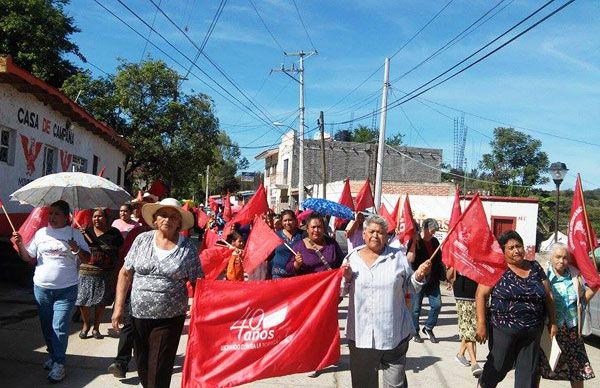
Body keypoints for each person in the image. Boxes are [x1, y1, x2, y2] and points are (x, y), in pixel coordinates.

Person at [111, 198, 202, 388]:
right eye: (163, 215)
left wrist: (200, 312)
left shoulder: (188, 249)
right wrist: (118, 307)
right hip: (138, 315)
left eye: (173, 216)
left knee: (159, 367)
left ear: (179, 222)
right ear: (155, 219)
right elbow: (125, 273)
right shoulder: (142, 240)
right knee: (143, 365)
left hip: (169, 318)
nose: (167, 219)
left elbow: (198, 283)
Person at [342, 215, 432, 387]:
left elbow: (410, 287)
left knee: (395, 384)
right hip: (361, 335)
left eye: (381, 232)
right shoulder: (351, 258)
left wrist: (419, 275)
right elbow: (341, 291)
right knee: (363, 384)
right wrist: (346, 278)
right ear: (363, 234)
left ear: (387, 236)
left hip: (393, 335)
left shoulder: (398, 257)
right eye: (372, 231)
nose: (376, 235)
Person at [12, 200, 90, 383]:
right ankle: (54, 356)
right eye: (50, 213)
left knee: (59, 327)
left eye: (57, 214)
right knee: (47, 327)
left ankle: (59, 365)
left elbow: (87, 258)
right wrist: (21, 245)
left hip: (67, 289)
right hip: (42, 289)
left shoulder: (74, 234)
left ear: (66, 216)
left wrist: (77, 249)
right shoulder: (41, 233)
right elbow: (27, 257)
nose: (52, 217)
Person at [476, 230, 558, 388]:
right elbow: (481, 295)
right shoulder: (496, 268)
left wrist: (553, 322)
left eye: (519, 246)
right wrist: (481, 324)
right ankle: (485, 383)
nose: (516, 250)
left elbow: (548, 295)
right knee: (499, 366)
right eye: (511, 248)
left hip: (533, 329)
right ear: (503, 251)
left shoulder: (535, 267)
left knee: (528, 374)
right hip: (503, 328)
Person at [107, 196, 155, 379]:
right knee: (129, 324)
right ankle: (121, 362)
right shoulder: (137, 234)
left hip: (158, 296)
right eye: (137, 208)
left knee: (146, 330)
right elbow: (124, 263)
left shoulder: (172, 238)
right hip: (134, 288)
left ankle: (146, 361)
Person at [538, 243, 597, 387]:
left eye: (565, 258)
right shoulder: (543, 274)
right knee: (538, 366)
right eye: (558, 257)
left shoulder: (575, 275)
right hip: (549, 329)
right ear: (551, 257)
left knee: (577, 369)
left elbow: (583, 297)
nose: (561, 261)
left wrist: (595, 284)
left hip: (571, 330)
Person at [76, 208, 124, 339]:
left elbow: (120, 252)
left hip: (105, 273)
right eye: (94, 216)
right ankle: (86, 325)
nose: (96, 219)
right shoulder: (86, 231)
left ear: (107, 219)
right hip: (86, 271)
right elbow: (78, 248)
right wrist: (81, 235)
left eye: (100, 216)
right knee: (82, 300)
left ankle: (96, 328)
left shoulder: (114, 233)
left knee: (100, 302)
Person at [410, 218, 445, 343]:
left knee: (437, 304)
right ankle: (414, 331)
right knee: (415, 308)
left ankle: (429, 327)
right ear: (425, 229)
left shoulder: (435, 242)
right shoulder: (416, 241)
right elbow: (411, 260)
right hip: (418, 279)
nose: (433, 234)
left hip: (433, 279)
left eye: (435, 231)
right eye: (432, 231)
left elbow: (439, 259)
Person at [446, 266, 483, 377]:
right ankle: (474, 362)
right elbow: (449, 275)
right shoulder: (458, 251)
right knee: (467, 326)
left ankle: (460, 354)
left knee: (475, 326)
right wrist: (454, 264)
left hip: (480, 289)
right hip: (462, 291)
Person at [271, 209, 304, 279]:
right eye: (285, 220)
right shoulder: (276, 236)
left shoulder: (302, 234)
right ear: (282, 222)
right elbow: (269, 253)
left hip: (296, 275)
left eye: (290, 220)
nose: (287, 223)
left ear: (295, 221)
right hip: (278, 275)